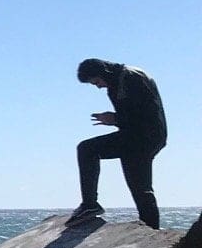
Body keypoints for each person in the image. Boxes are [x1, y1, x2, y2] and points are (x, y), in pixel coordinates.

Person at [69, 58, 166, 229]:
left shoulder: (130, 77)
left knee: (87, 149)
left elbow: (146, 115)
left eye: (97, 82)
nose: (98, 86)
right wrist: (116, 119)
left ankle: (90, 204)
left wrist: (115, 118)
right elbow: (132, 115)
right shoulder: (117, 80)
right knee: (140, 189)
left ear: (103, 72)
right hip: (137, 137)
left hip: (144, 138)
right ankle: (152, 230)